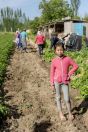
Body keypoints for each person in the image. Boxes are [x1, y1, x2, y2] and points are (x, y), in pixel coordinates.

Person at [50, 43, 79, 121]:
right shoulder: (54, 61)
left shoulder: (68, 59)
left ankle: (70, 113)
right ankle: (61, 114)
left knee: (67, 99)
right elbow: (52, 73)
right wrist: (52, 83)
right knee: (58, 97)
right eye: (58, 50)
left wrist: (69, 73)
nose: (60, 52)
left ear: (63, 50)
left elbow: (76, 66)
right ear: (55, 51)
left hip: (65, 82)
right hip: (57, 81)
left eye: (61, 50)